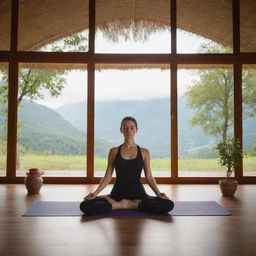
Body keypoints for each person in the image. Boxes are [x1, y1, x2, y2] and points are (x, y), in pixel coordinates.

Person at [80, 116, 174, 215]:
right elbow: (107, 176)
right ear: (121, 130)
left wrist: (158, 193)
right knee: (85, 205)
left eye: (132, 127)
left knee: (168, 204)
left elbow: (149, 177)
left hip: (139, 195)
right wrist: (95, 193)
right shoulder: (114, 151)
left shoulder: (144, 152)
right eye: (125, 128)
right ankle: (123, 205)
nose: (129, 130)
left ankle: (124, 205)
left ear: (136, 130)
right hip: (117, 194)